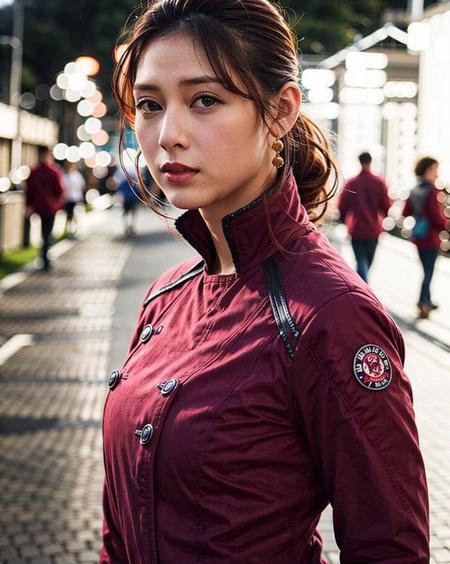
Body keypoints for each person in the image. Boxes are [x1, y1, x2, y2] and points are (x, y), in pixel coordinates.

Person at [101, 1, 429, 562]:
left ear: (279, 112)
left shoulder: (329, 314)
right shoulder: (162, 299)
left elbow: (390, 545)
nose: (169, 135)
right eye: (150, 105)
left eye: (205, 100)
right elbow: (117, 531)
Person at [403, 157, 447, 319]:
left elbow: (406, 212)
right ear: (428, 170)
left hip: (418, 237)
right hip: (432, 238)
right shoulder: (433, 190)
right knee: (429, 272)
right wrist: (446, 223)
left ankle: (427, 299)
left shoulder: (415, 189)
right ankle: (422, 302)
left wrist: (420, 214)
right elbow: (437, 217)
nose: (437, 173)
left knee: (425, 269)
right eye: (435, 169)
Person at [338, 152, 391, 283]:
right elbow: (386, 206)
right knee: (368, 262)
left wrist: (345, 221)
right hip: (374, 229)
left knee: (361, 261)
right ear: (370, 161)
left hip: (356, 228)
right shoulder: (379, 182)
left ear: (359, 161)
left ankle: (362, 285)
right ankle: (364, 286)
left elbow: (342, 206)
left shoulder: (351, 182)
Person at [25, 145, 64, 271]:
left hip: (39, 206)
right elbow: (59, 190)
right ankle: (45, 258)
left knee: (44, 232)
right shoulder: (54, 171)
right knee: (47, 233)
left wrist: (29, 206)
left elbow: (29, 191)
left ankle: (43, 256)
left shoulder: (34, 172)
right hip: (51, 206)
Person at [62, 161, 86, 237]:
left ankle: (76, 229)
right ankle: (69, 230)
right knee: (68, 215)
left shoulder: (77, 176)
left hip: (76, 198)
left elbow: (82, 186)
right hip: (68, 199)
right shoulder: (63, 176)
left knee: (76, 215)